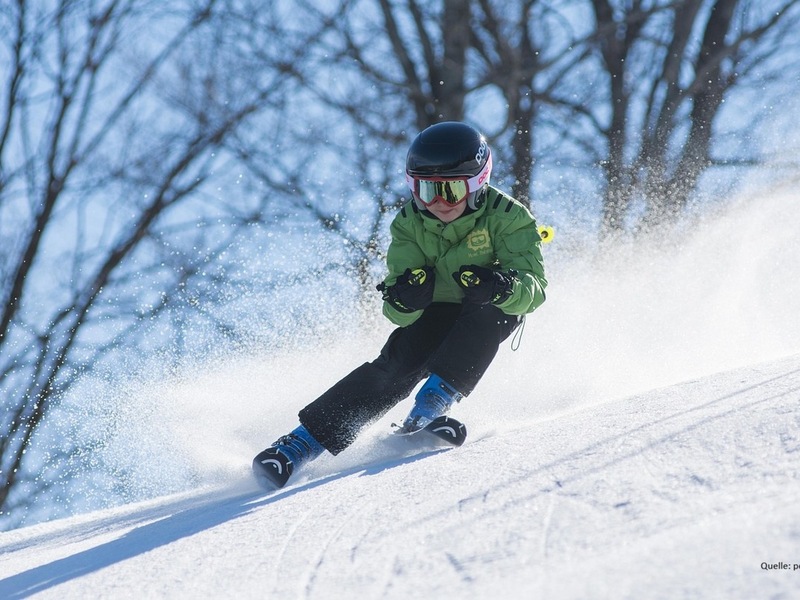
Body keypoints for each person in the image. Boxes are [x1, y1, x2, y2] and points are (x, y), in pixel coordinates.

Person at [253, 121, 547, 490]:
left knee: (489, 316)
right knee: (397, 363)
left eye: (451, 190)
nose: (437, 202)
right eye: (425, 190)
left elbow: (534, 289)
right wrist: (405, 298)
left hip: (487, 306)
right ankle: (299, 445)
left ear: (477, 184)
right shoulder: (409, 223)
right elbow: (396, 310)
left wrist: (502, 286)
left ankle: (430, 407)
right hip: (436, 309)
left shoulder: (509, 216)